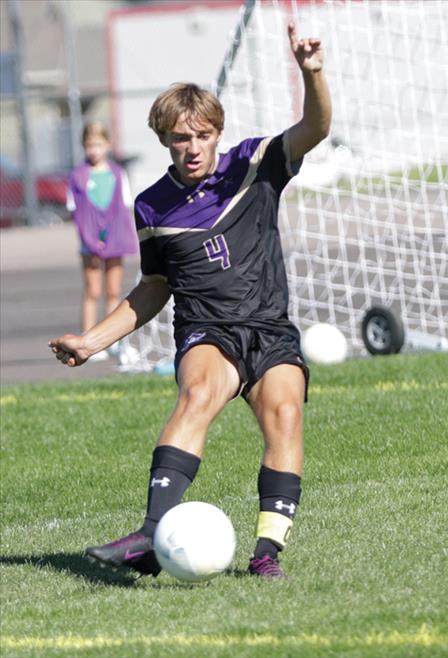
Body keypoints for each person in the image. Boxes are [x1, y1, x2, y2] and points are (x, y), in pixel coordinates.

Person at [50, 24, 332, 579]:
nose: (193, 146)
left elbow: (316, 127)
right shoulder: (152, 205)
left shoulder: (255, 165)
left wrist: (312, 73)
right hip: (208, 330)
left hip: (269, 329)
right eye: (181, 138)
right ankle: (151, 537)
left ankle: (266, 553)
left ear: (217, 133)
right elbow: (153, 287)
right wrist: (90, 342)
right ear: (164, 140)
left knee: (286, 411)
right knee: (200, 391)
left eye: (202, 134)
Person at [67, 122, 138, 359]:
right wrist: (90, 237)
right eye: (89, 145)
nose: (93, 150)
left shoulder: (118, 174)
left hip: (115, 239)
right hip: (90, 243)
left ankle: (113, 341)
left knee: (113, 291)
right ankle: (88, 338)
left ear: (107, 145)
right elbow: (74, 209)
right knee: (92, 290)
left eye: (98, 144)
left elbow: (124, 205)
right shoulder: (78, 176)